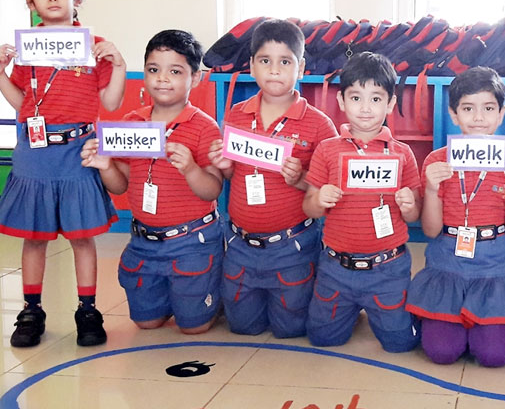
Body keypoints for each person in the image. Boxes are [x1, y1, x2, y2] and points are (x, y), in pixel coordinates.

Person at [0, 0, 126, 347]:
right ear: (30, 2)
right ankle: (31, 310)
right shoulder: (27, 48)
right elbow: (23, 105)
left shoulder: (94, 47)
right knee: (34, 237)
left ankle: (88, 310)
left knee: (82, 237)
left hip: (78, 152)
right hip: (34, 152)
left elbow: (111, 103)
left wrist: (118, 65)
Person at [81, 30, 223, 334]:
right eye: (153, 69)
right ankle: (176, 294)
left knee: (193, 327)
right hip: (144, 243)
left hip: (192, 242)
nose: (162, 79)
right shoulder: (132, 123)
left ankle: (210, 293)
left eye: (175, 71)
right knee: (147, 323)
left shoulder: (204, 127)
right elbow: (120, 186)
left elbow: (213, 190)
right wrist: (105, 166)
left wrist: (191, 169)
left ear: (195, 77)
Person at [208, 19, 337, 338]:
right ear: (252, 66)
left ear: (301, 67)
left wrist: (301, 178)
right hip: (240, 243)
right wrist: (223, 164)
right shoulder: (237, 114)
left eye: (285, 62)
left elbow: (331, 187)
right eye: (265, 61)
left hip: (293, 245)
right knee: (242, 327)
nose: (275, 70)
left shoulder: (319, 124)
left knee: (290, 329)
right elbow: (232, 173)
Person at [405, 66, 505, 367]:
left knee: (493, 356)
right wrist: (432, 189)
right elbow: (431, 230)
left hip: (496, 264)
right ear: (454, 114)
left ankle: (480, 322)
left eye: (488, 108)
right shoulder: (437, 160)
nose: (478, 118)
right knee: (441, 352)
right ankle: (448, 319)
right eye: (468, 108)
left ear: (501, 114)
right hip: (448, 260)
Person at [303, 51, 421, 352]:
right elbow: (308, 207)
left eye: (376, 99)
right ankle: (352, 310)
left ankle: (389, 310)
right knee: (322, 338)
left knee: (401, 343)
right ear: (341, 101)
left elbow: (414, 215)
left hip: (388, 268)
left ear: (391, 103)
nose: (365, 108)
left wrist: (410, 205)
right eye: (356, 98)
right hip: (336, 268)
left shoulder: (403, 153)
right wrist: (320, 199)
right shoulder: (327, 150)